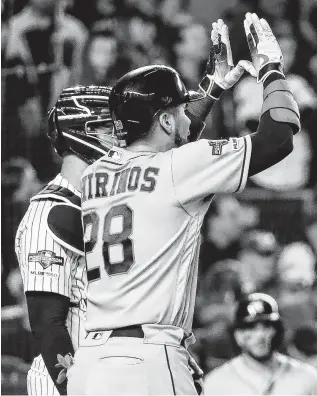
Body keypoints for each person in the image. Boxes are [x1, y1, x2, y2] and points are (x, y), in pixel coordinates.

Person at [67, 14, 300, 395]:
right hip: (148, 358)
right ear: (162, 120)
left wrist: (212, 88)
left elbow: (172, 137)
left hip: (91, 362)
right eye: (177, 108)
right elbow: (278, 139)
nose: (183, 113)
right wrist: (271, 69)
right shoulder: (178, 167)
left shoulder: (96, 172)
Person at [14, 86, 118, 395]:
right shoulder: (48, 211)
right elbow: (48, 324)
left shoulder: (105, 199)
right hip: (67, 387)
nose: (118, 136)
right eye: (106, 127)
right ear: (80, 131)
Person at [204, 293, 317, 395]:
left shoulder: (308, 378)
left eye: (267, 327)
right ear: (237, 335)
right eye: (250, 328)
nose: (260, 335)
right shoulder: (216, 383)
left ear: (278, 331)